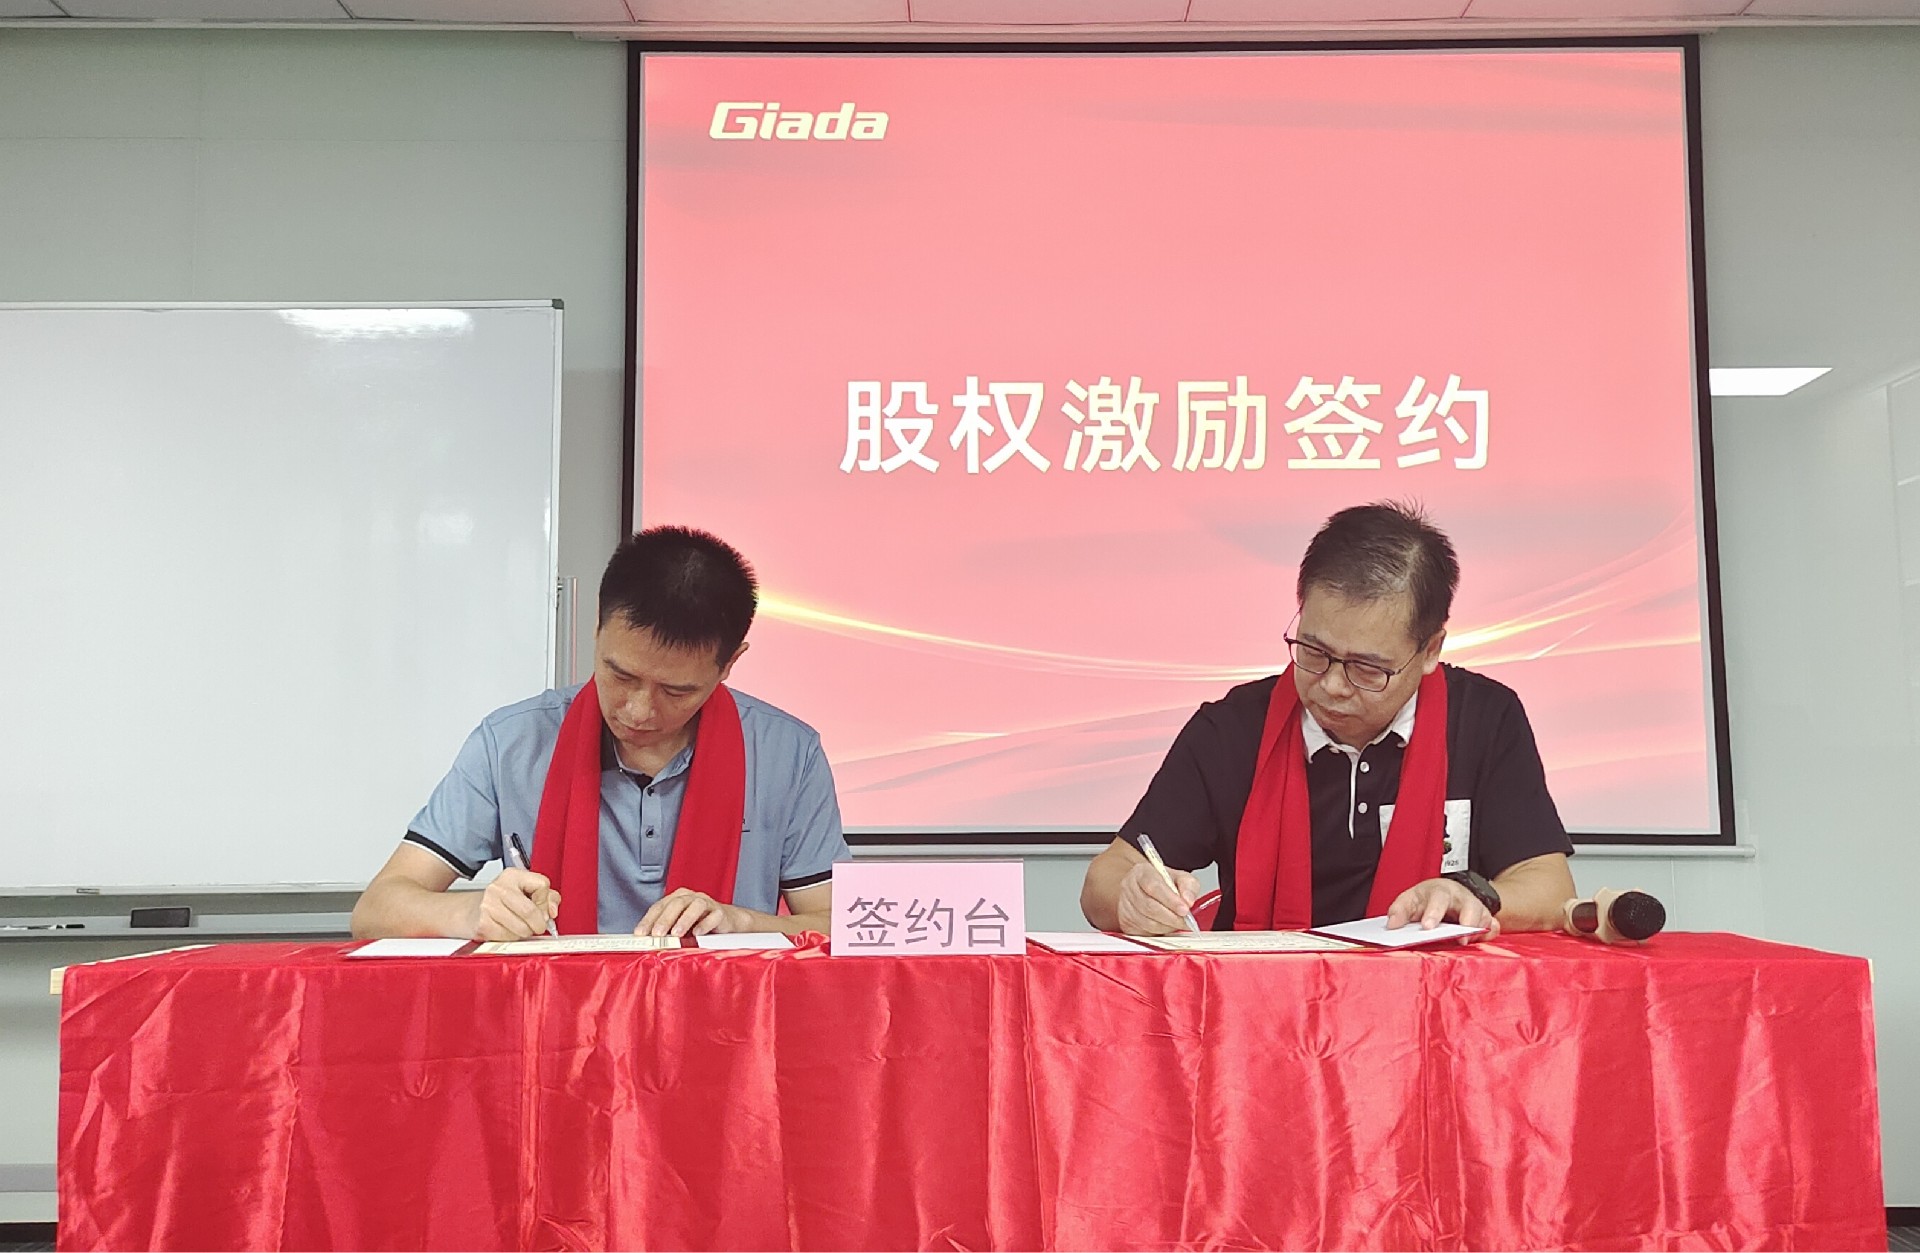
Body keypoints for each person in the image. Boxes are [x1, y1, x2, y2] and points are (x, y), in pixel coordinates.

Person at [1081, 500, 1574, 940]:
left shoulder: (1485, 719)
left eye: (1366, 668)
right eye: (1314, 651)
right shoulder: (1232, 730)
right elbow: (1106, 878)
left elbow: (1549, 886)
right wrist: (1132, 896)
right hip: (1265, 1000)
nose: (1333, 685)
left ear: (1430, 651)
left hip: (1436, 1003)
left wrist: (1472, 896)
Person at [351, 526, 847, 941]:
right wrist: (469, 912)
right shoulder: (512, 742)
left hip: (724, 1019)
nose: (638, 710)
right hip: (553, 1018)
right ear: (597, 626)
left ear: (730, 663)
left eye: (676, 691)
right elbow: (374, 910)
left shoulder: (787, 754)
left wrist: (744, 923)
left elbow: (842, 926)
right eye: (620, 675)